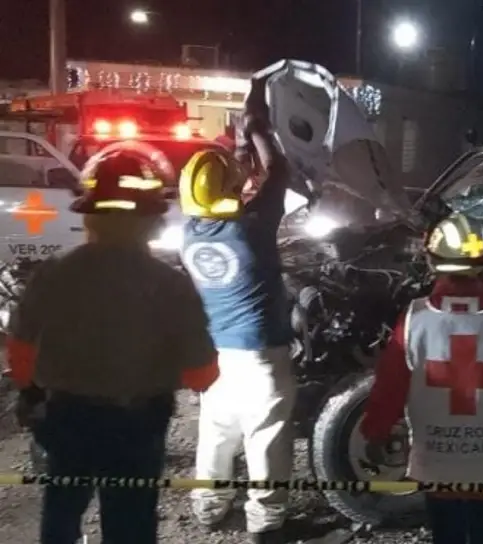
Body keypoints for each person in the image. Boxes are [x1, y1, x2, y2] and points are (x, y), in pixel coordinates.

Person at [3, 141, 219, 544]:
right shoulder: (169, 285)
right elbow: (201, 372)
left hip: (66, 418)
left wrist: (31, 392)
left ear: (90, 216)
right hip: (136, 426)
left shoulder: (54, 274)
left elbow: (20, 350)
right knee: (130, 524)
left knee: (61, 516)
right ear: (152, 220)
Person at [360, 213, 483, 544]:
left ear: (433, 261)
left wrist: (376, 432)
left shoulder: (414, 319)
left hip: (436, 458)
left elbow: (390, 385)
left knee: (446, 533)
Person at [181, 107, 297, 543]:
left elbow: (241, 189)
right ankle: (265, 521)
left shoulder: (189, 233)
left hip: (217, 351)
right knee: (266, 434)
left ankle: (209, 505)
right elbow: (278, 172)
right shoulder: (250, 230)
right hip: (262, 351)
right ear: (231, 190)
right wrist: (258, 130)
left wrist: (238, 152)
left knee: (217, 430)